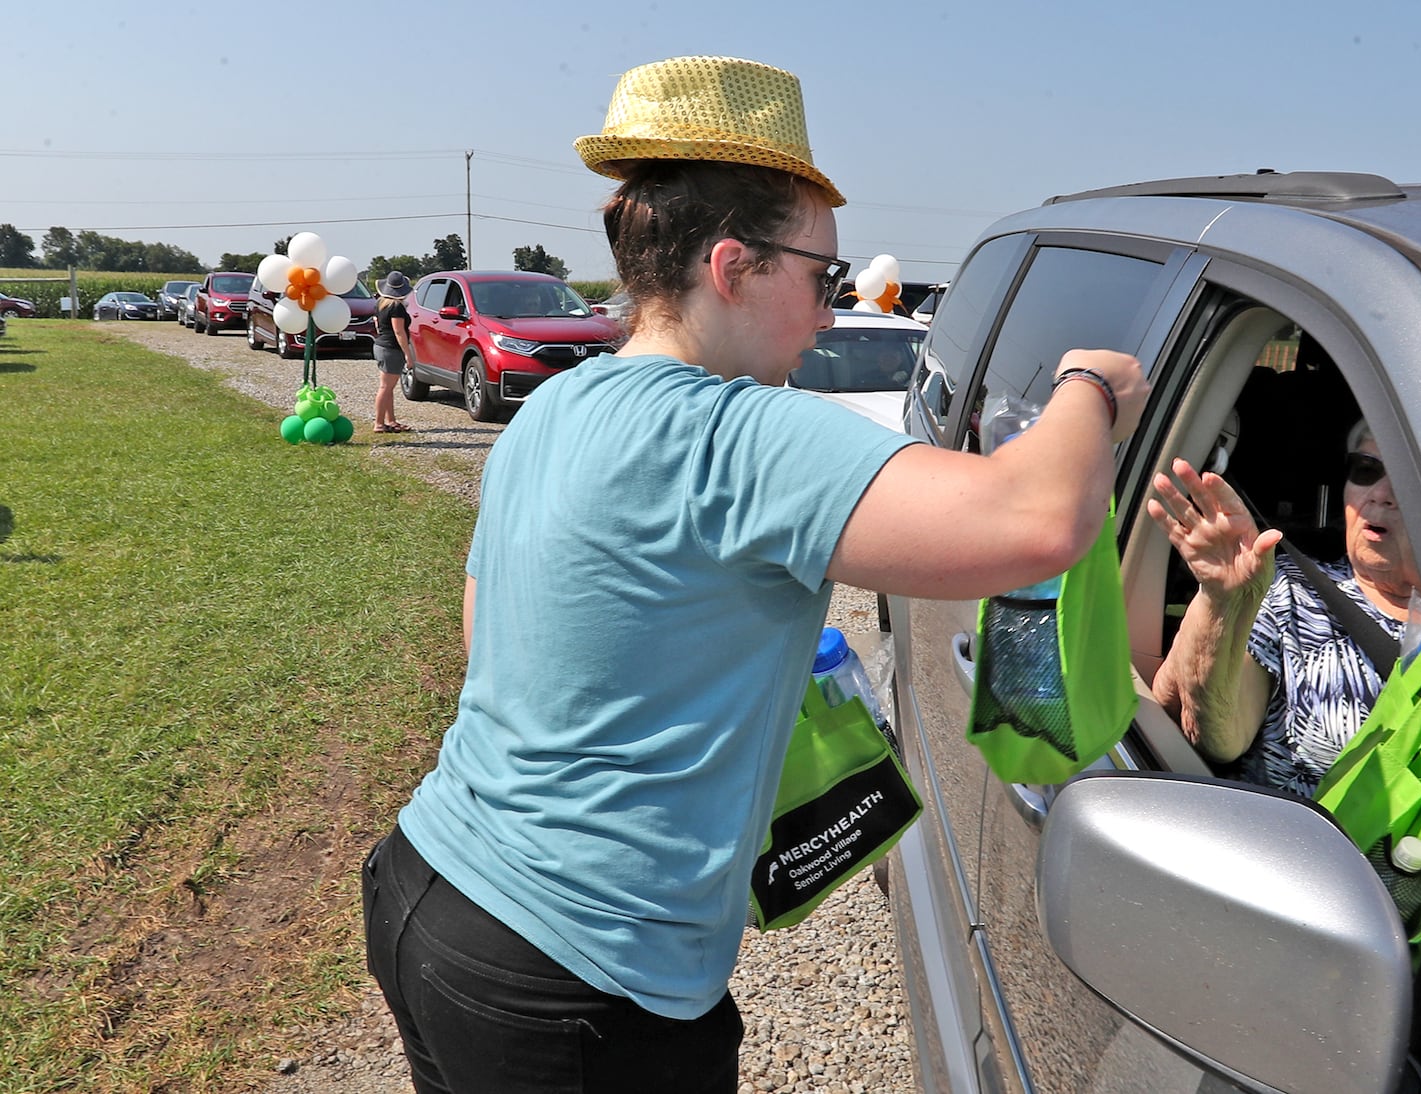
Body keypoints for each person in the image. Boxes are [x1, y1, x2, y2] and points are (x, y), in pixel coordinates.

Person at [362, 54, 1149, 1094]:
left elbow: (491, 640)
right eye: (820, 278)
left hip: (429, 890)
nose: (828, 312)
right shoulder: (736, 430)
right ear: (732, 267)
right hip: (577, 987)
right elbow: (1038, 516)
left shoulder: (557, 404)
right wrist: (1092, 382)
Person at [1146, 418, 1421, 797]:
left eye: (1410, 476)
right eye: (1367, 469)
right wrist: (1220, 599)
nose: (1381, 493)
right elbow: (1220, 736)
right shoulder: (1293, 590)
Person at [372, 270, 416, 433]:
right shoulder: (396, 307)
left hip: (381, 346)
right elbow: (399, 332)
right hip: (391, 349)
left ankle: (390, 420)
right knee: (385, 387)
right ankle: (378, 423)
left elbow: (378, 325)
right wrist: (408, 354)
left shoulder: (380, 303)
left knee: (388, 387)